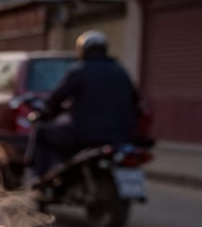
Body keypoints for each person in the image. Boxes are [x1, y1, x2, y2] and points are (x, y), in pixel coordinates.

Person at [25, 31, 140, 184]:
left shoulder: (79, 71)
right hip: (120, 135)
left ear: (83, 50)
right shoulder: (121, 71)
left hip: (84, 134)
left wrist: (44, 112)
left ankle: (39, 176)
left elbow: (57, 98)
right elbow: (136, 102)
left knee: (42, 131)